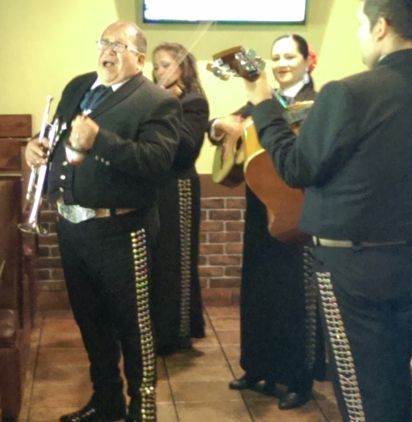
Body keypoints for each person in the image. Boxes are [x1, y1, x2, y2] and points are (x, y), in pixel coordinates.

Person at [241, 1, 412, 421]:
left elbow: (294, 168)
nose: (360, 35)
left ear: (381, 26)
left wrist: (263, 104)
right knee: (394, 382)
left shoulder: (349, 92)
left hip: (352, 266)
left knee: (360, 392)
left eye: (361, 25)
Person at [25, 21, 182, 422]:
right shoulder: (79, 86)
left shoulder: (155, 101)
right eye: (103, 42)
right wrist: (35, 147)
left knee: (133, 325)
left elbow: (156, 162)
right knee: (90, 322)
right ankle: (106, 399)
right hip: (72, 228)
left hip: (121, 231)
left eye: (118, 45)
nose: (107, 50)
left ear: (139, 59)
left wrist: (101, 141)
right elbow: (55, 134)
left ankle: (142, 407)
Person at [208, 34, 327, 410]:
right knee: (258, 290)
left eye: (289, 56)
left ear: (310, 59)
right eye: (275, 57)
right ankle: (257, 367)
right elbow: (221, 131)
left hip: (299, 212)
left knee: (296, 299)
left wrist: (248, 125)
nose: (280, 63)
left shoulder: (322, 103)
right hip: (260, 211)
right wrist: (219, 128)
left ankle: (298, 378)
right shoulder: (262, 100)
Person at [150, 42, 209, 355]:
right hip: (155, 189)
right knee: (157, 261)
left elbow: (186, 148)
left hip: (180, 188)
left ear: (182, 68)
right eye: (156, 65)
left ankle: (179, 332)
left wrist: (169, 108)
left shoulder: (193, 101)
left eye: (164, 64)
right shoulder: (155, 99)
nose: (158, 71)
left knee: (178, 260)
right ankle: (158, 330)